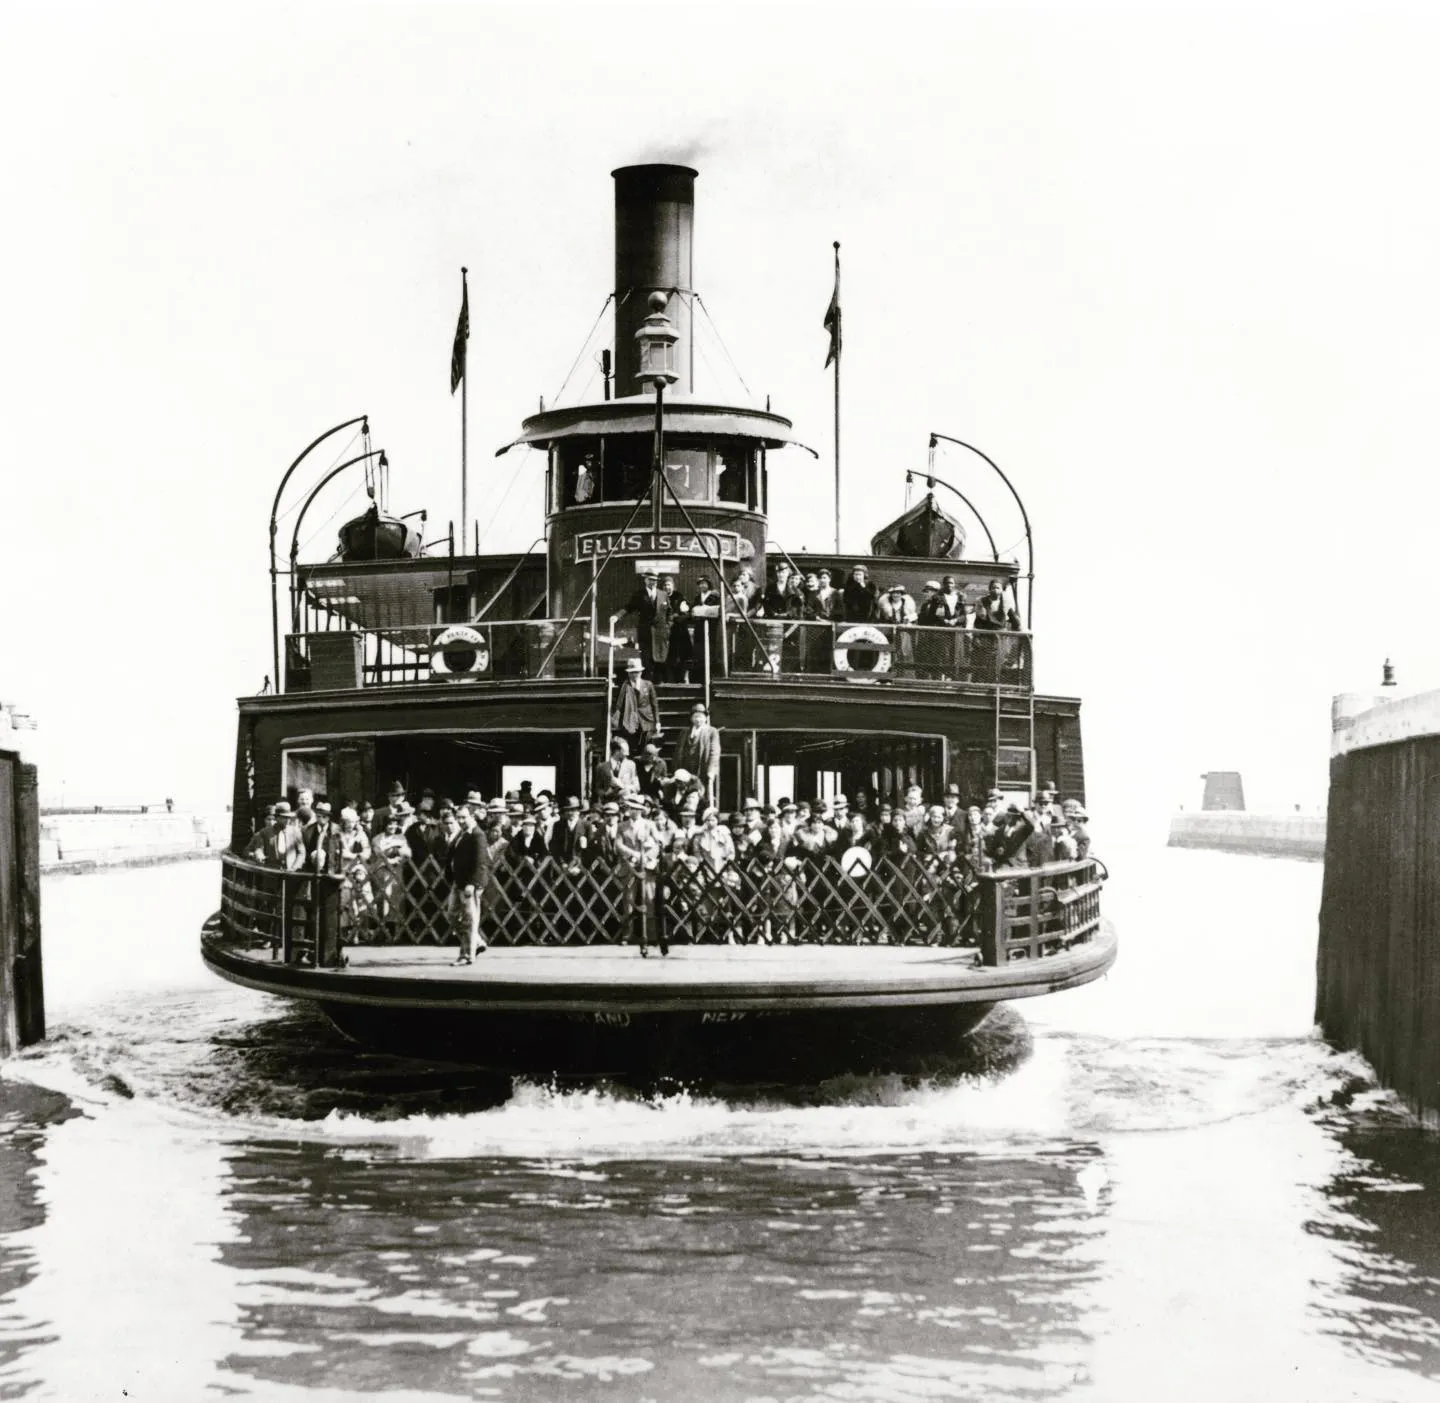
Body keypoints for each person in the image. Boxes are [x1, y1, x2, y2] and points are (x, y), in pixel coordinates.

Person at [449, 801, 492, 963]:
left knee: (469, 918)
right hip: (457, 881)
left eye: (463, 817)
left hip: (469, 884)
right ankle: (477, 941)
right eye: (458, 817)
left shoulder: (477, 835)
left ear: (471, 816)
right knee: (451, 915)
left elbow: (480, 862)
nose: (460, 820)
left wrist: (472, 884)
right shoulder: (461, 833)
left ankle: (467, 954)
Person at [617, 568, 672, 677]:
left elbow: (669, 612)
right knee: (647, 661)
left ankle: (659, 686)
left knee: (660, 660)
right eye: (650, 580)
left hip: (661, 634)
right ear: (645, 580)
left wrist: (668, 626)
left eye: (655, 580)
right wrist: (616, 616)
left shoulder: (663, 594)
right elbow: (629, 607)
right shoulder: (639, 595)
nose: (653, 582)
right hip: (645, 633)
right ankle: (647, 685)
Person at [611, 656, 661, 757]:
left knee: (646, 746)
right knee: (632, 746)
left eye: (637, 672)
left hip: (647, 720)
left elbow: (654, 704)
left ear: (641, 672)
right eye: (632, 672)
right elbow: (619, 704)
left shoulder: (648, 685)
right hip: (630, 721)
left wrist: (658, 722)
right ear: (628, 673)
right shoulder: (625, 686)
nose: (634, 675)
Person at [673, 703, 721, 802]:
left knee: (702, 795)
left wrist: (711, 770)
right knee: (685, 795)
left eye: (700, 717)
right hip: (686, 770)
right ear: (691, 718)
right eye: (695, 717)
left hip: (703, 769)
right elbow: (677, 752)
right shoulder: (685, 732)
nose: (698, 719)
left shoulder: (711, 732)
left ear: (705, 718)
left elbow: (714, 752)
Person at [661, 574, 691, 682]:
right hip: (665, 630)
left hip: (679, 631)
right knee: (667, 656)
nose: (667, 587)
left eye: (668, 585)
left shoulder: (679, 596)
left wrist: (676, 616)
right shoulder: (660, 597)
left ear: (673, 586)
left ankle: (683, 678)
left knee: (682, 654)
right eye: (664, 585)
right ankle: (669, 679)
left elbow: (686, 611)